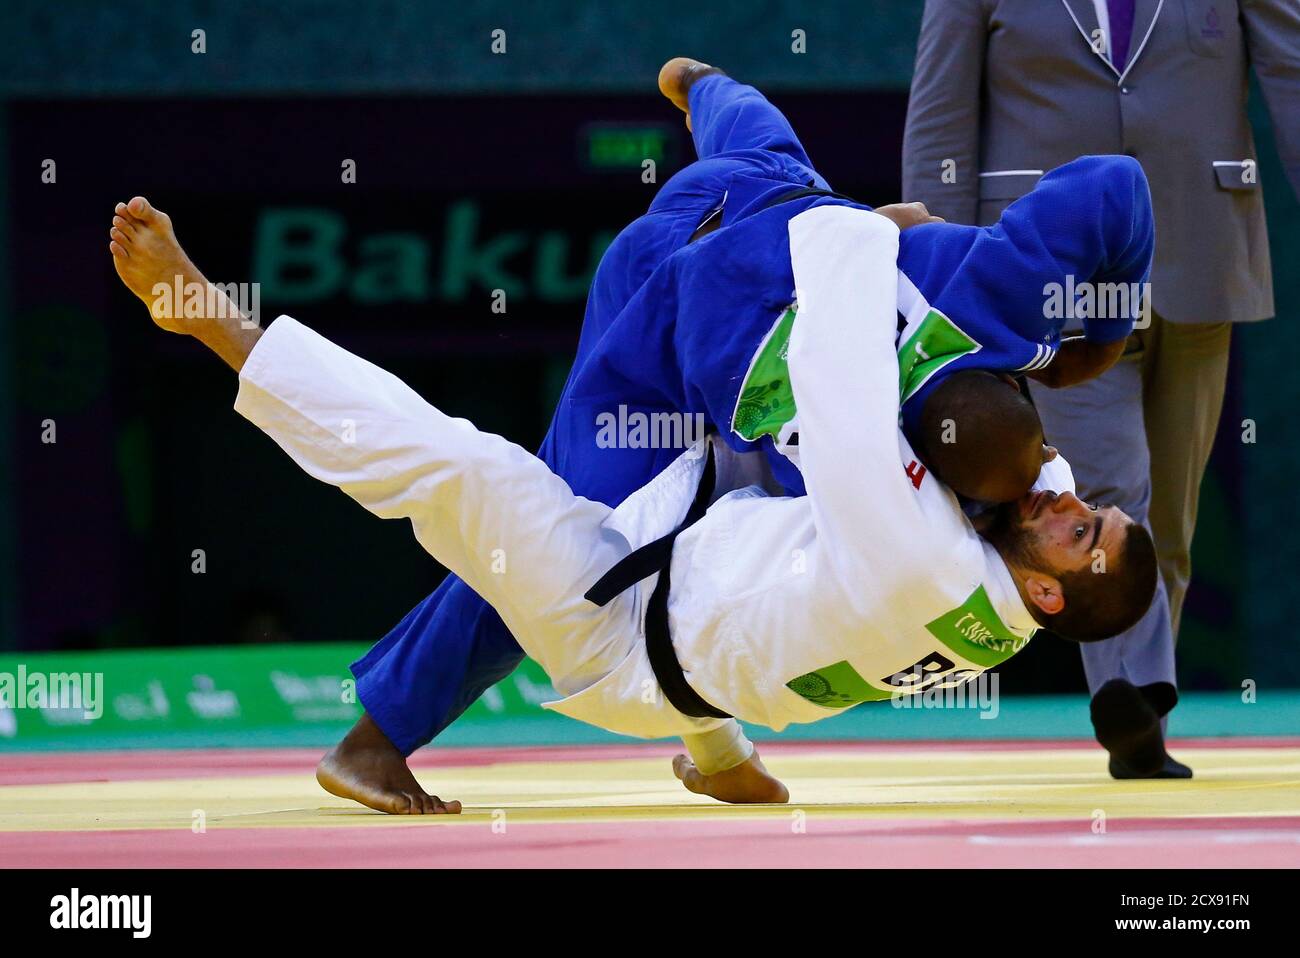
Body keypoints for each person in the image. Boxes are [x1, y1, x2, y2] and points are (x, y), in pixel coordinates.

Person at [107, 192, 1157, 813]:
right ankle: (717, 752)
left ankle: (210, 323)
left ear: (1053, 593)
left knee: (463, 472)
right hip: (697, 602)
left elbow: (845, 389)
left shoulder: (929, 566)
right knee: (757, 585)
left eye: (1081, 532)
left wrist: (870, 234)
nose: (1071, 504)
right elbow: (1024, 474)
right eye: (1089, 512)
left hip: (610, 626)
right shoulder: (1003, 612)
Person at [902, 0, 1300, 778]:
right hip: (1047, 269)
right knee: (1116, 487)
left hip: (1201, 245)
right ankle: (1135, 700)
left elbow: (1291, 68)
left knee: (1171, 522)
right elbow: (942, 112)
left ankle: (1140, 694)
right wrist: (939, 277)